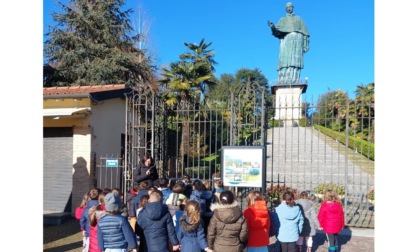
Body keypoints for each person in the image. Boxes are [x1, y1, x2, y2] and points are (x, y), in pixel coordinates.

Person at [268, 2, 310, 84]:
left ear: (293, 8)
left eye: (290, 7)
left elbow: (305, 33)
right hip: (286, 41)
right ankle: (283, 79)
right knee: (285, 61)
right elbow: (277, 32)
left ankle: (294, 79)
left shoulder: (299, 19)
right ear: (285, 9)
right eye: (287, 7)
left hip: (298, 41)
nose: (289, 8)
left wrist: (305, 44)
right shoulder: (282, 20)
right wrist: (273, 27)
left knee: (295, 61)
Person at [80, 187, 102, 252]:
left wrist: (85, 229)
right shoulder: (101, 208)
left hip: (89, 233)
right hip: (100, 233)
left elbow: (82, 221)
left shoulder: (86, 209)